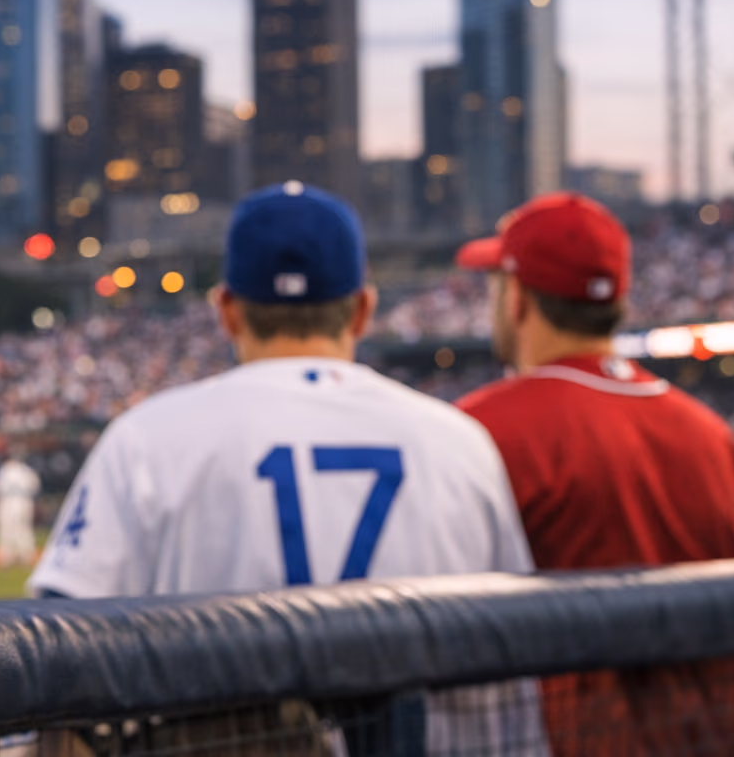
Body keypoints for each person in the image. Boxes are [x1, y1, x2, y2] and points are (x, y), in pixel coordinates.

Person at [30, 181, 544, 753]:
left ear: (226, 309)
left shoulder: (147, 437)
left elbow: (55, 653)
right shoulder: (460, 442)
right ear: (363, 309)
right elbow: (513, 662)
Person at [454, 192, 734, 755]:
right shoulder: (711, 433)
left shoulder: (479, 428)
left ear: (517, 297)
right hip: (716, 740)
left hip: (563, 742)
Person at [0, 450, 40, 567]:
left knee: (6, 529)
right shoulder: (27, 470)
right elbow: (36, 487)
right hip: (25, 501)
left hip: (7, 501)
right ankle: (27, 556)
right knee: (24, 529)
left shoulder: (3, 470)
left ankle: (7, 558)